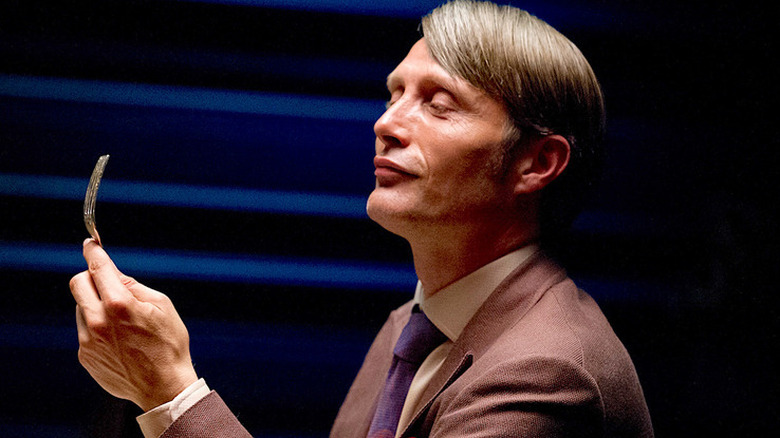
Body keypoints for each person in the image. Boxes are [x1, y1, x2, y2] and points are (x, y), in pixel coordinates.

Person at [69, 1, 654, 437]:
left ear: (537, 161)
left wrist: (172, 393)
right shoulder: (412, 326)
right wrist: (147, 393)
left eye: (438, 103)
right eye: (394, 94)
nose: (387, 123)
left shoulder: (548, 371)